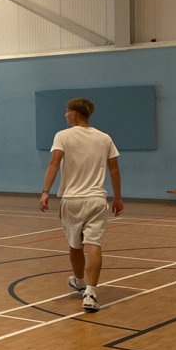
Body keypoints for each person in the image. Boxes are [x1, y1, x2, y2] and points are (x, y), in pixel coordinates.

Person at [39, 98, 123, 313]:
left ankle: (79, 281)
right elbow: (114, 170)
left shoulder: (62, 136)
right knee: (93, 244)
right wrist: (118, 197)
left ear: (74, 114)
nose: (65, 115)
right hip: (97, 199)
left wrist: (46, 191)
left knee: (75, 245)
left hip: (72, 199)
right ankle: (90, 293)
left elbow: (54, 163)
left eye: (67, 111)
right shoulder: (104, 138)